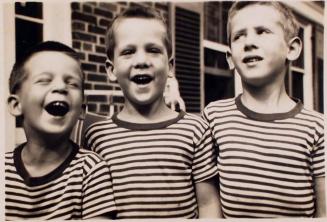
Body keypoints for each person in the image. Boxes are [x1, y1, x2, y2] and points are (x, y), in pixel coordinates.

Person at [84, 6, 221, 219]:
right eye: (128, 52)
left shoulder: (195, 130)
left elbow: (208, 204)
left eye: (153, 50)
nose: (141, 61)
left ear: (170, 66)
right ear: (111, 70)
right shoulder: (97, 136)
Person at [202, 1, 325, 218]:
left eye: (262, 31)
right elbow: (208, 206)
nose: (249, 42)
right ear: (230, 58)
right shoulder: (214, 117)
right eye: (239, 35)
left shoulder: (317, 128)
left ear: (292, 48)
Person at [5, 41, 116, 220]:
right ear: (17, 105)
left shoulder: (90, 170)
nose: (60, 88)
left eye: (71, 83)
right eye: (44, 80)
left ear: (81, 110)